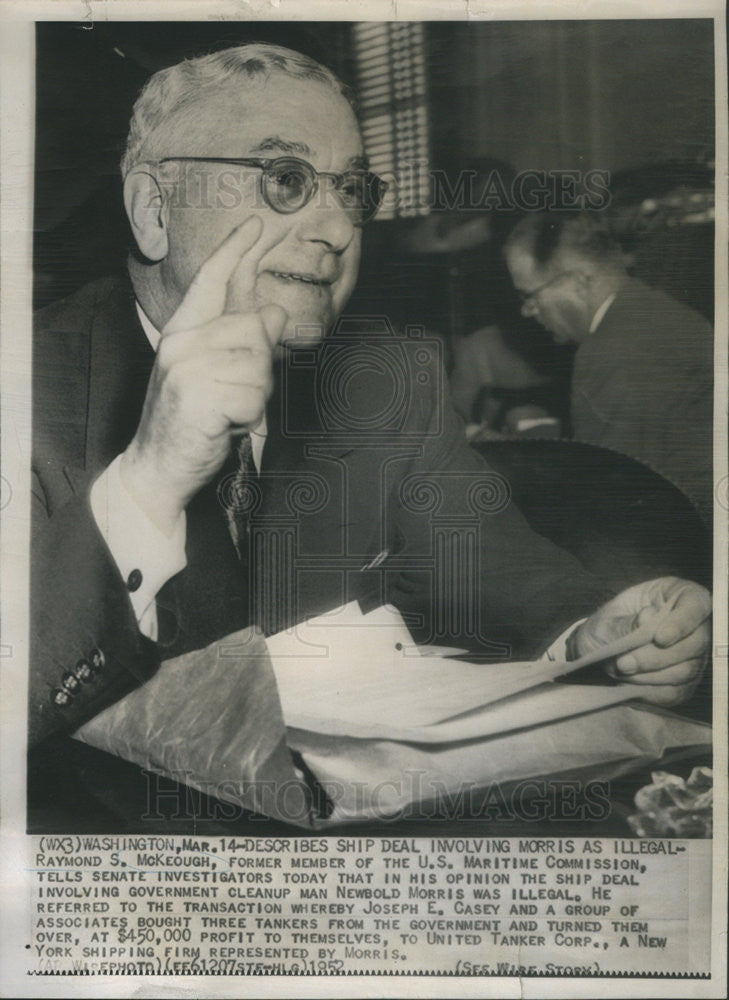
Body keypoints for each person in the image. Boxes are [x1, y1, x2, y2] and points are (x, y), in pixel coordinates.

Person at [31, 45, 710, 779]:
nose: (338, 229)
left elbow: (486, 556)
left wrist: (594, 634)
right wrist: (151, 482)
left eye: (351, 189)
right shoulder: (25, 384)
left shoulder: (382, 381)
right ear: (154, 210)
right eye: (286, 179)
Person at [504, 211, 714, 521]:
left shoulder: (609, 351)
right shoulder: (652, 310)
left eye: (529, 296)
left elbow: (609, 501)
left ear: (577, 282)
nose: (527, 311)